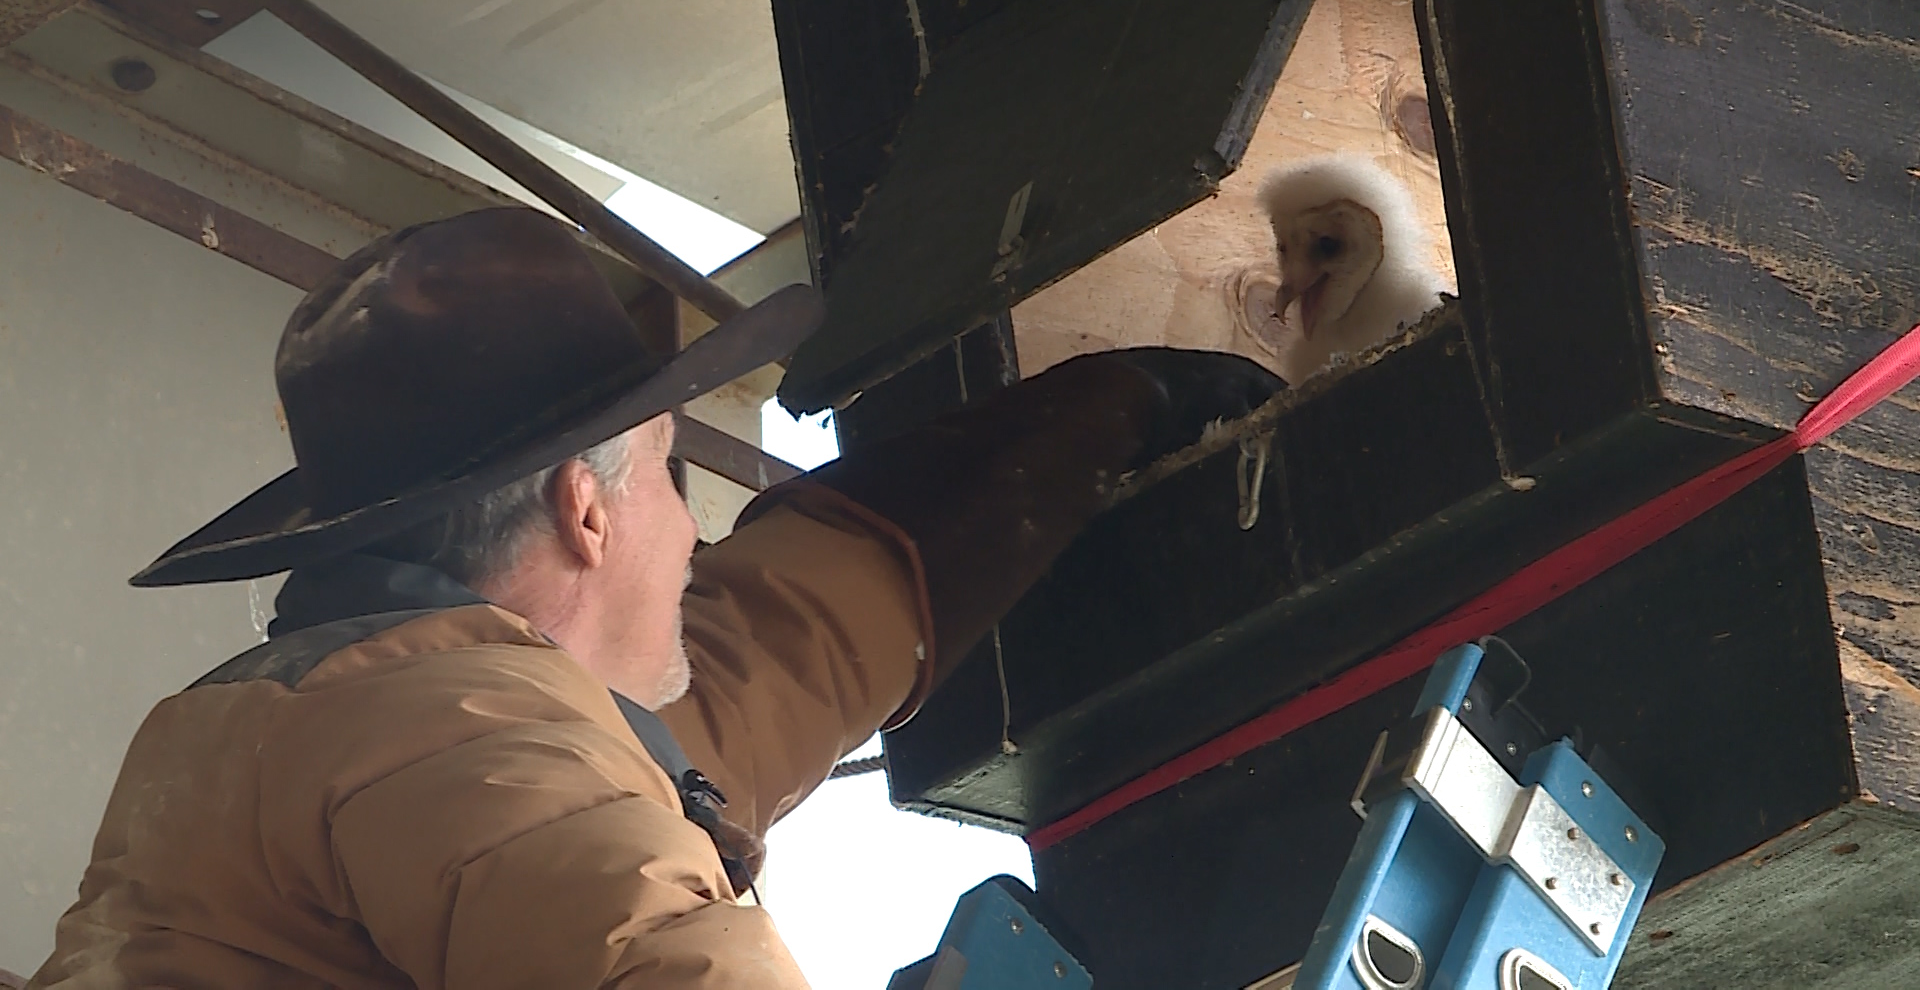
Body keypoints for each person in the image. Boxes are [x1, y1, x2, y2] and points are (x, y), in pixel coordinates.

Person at [26, 207, 1282, 988]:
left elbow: (771, 655)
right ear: (585, 507)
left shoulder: (381, 718)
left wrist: (1123, 408)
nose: (693, 530)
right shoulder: (457, 736)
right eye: (673, 476)